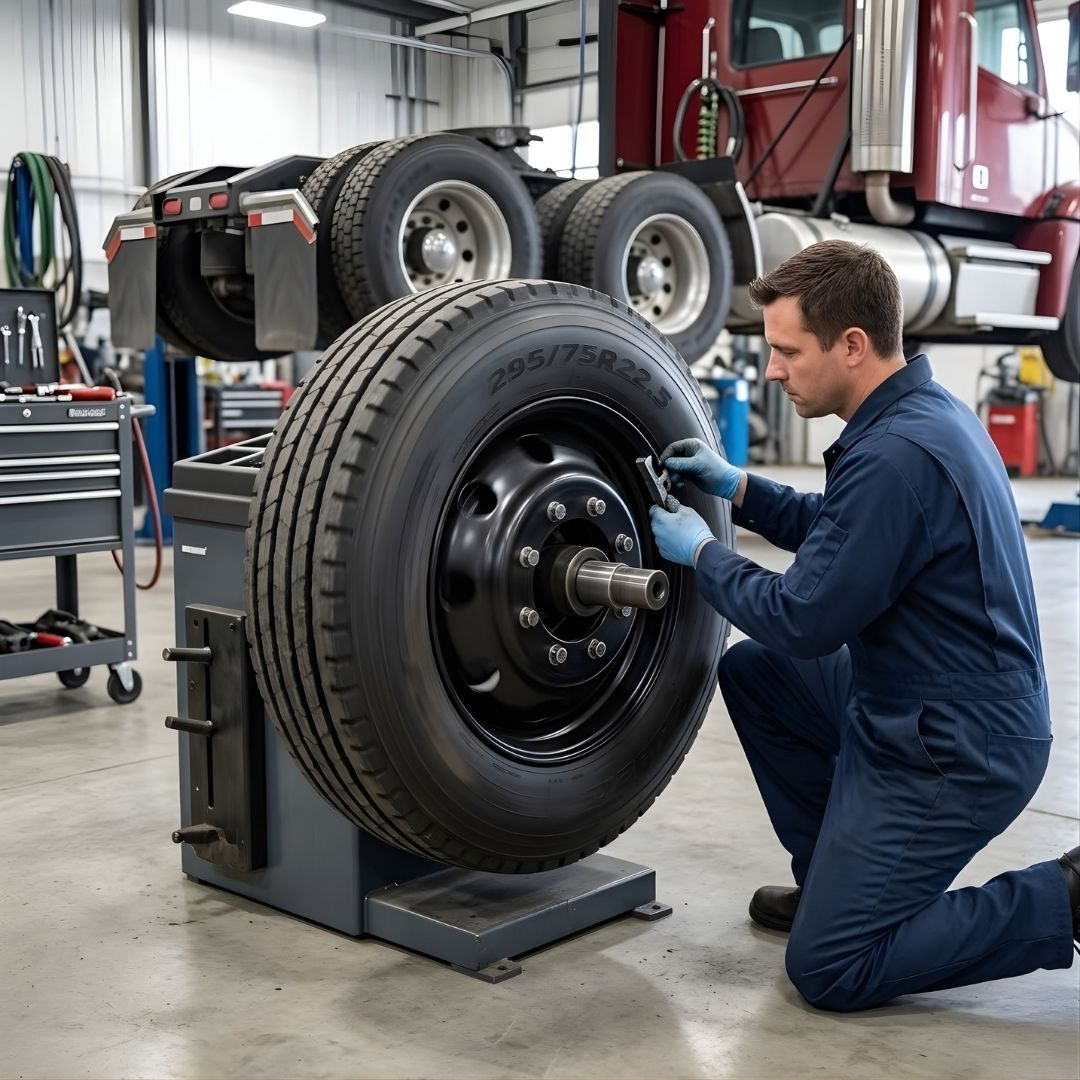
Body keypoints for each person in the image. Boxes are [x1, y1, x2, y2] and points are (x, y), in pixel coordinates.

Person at [649, 239, 1079, 1012]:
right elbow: (845, 529)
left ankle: (1067, 897)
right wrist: (740, 488)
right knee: (756, 675)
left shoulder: (896, 454)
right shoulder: (920, 415)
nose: (772, 371)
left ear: (851, 345)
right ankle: (832, 885)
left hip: (959, 741)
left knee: (831, 968)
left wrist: (703, 554)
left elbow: (801, 618)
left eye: (788, 351)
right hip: (920, 689)